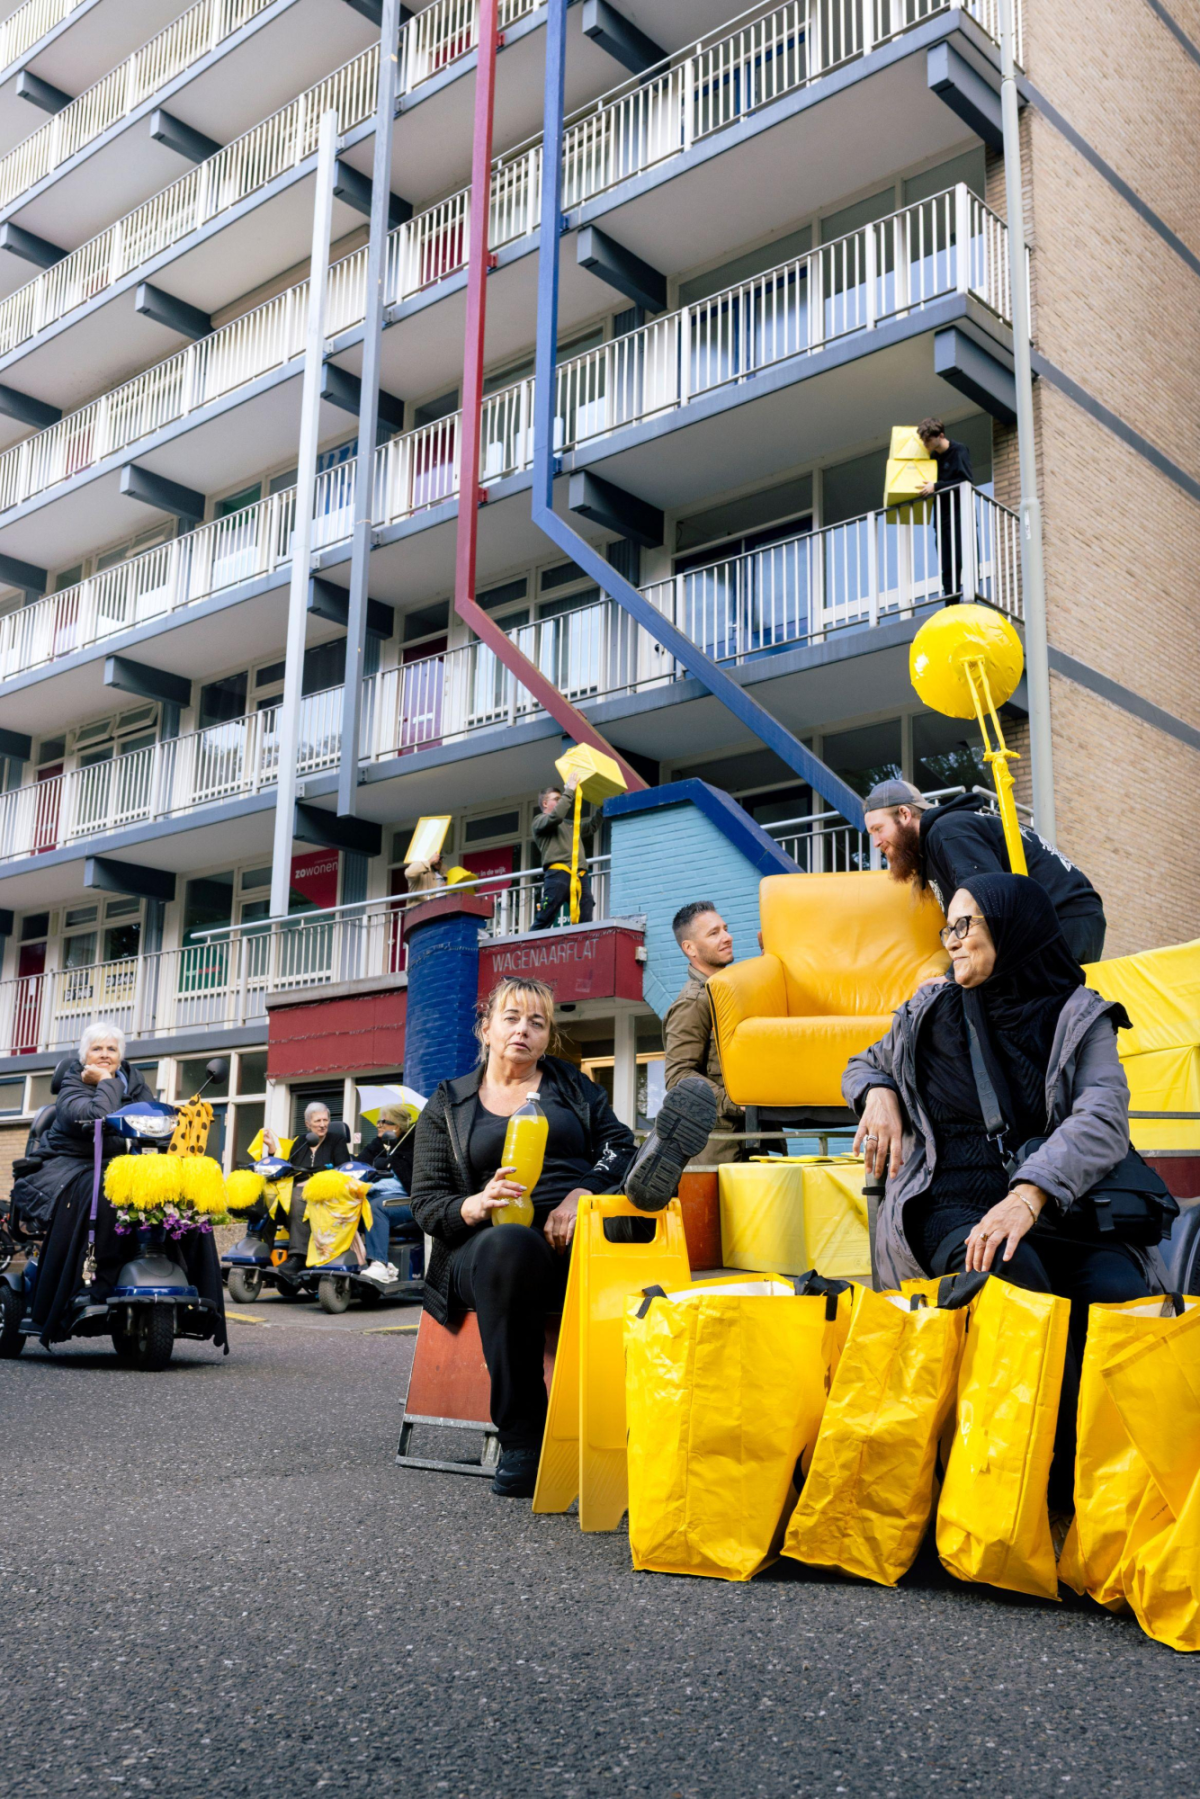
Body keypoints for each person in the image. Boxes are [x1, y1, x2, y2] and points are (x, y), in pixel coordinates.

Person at [844, 873, 1161, 1506]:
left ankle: (1096, 1483)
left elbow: (1101, 1117)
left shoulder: (1079, 1015)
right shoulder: (927, 1010)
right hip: (950, 1199)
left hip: (1058, 1204)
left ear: (1012, 927)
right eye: (949, 928)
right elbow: (866, 1063)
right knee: (1013, 1280)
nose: (952, 941)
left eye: (966, 926)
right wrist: (876, 1094)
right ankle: (1006, 1484)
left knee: (1122, 1299)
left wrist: (1029, 1194)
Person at [407, 977, 714, 1498]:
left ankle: (641, 1185)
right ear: (486, 1029)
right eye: (511, 1018)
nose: (523, 1030)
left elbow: (614, 1143)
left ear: (549, 1037)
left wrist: (581, 1195)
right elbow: (426, 1202)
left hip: (576, 1231)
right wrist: (476, 1204)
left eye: (537, 1022)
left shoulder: (573, 1088)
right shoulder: (450, 1103)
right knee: (513, 1247)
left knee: (618, 1218)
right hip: (486, 1249)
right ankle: (524, 1437)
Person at [24, 1021, 226, 1346]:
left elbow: (157, 1123)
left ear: (121, 1055)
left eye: (112, 1049)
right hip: (71, 1165)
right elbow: (98, 1119)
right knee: (105, 1188)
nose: (105, 1055)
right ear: (84, 1055)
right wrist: (105, 1081)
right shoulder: (73, 1084)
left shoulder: (134, 1081)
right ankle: (93, 1283)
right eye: (97, 1049)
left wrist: (182, 1118)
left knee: (184, 1190)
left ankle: (194, 1280)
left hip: (119, 1163)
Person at [863, 778, 1107, 965]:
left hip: (1062, 917)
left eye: (878, 829)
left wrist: (953, 976)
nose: (876, 842)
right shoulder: (943, 836)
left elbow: (985, 899)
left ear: (905, 814)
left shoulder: (947, 831)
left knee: (1034, 1011)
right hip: (1062, 918)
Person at [664, 901, 745, 1166]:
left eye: (725, 929)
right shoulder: (693, 1002)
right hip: (719, 1152)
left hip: (753, 1141)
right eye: (714, 933)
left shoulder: (729, 995)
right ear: (690, 948)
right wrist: (738, 1103)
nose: (727, 937)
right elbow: (678, 1077)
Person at [261, 1102, 351, 1278]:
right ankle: (264, 1256)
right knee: (267, 1201)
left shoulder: (336, 1141)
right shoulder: (301, 1142)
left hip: (324, 1193)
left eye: (326, 1120)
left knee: (297, 1195)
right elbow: (287, 1168)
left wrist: (313, 1182)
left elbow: (342, 1171)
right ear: (308, 1124)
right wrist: (272, 1150)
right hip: (295, 1191)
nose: (323, 1124)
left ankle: (298, 1256)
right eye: (318, 1121)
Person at [358, 1103, 419, 1285]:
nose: (378, 1125)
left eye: (383, 1121)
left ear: (397, 1126)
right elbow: (361, 1163)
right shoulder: (380, 1143)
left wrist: (391, 1160)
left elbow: (407, 1179)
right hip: (381, 1196)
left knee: (376, 1207)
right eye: (378, 1121)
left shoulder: (412, 1144)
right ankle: (354, 1259)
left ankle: (380, 1263)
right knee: (352, 1204)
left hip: (408, 1200)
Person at [915, 416, 973, 601]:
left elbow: (966, 480)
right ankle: (951, 604)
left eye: (928, 440)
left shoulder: (959, 450)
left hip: (960, 514)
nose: (925, 444)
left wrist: (937, 486)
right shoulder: (932, 458)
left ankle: (971, 598)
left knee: (963, 558)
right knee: (946, 563)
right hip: (942, 516)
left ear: (940, 436)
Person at [532, 773, 595, 929]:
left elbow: (591, 826)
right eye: (556, 799)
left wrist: (604, 805)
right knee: (546, 916)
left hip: (579, 876)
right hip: (558, 874)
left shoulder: (568, 825)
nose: (561, 801)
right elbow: (556, 816)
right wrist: (570, 790)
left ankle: (584, 949)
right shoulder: (539, 821)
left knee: (585, 915)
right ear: (545, 803)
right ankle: (527, 949)